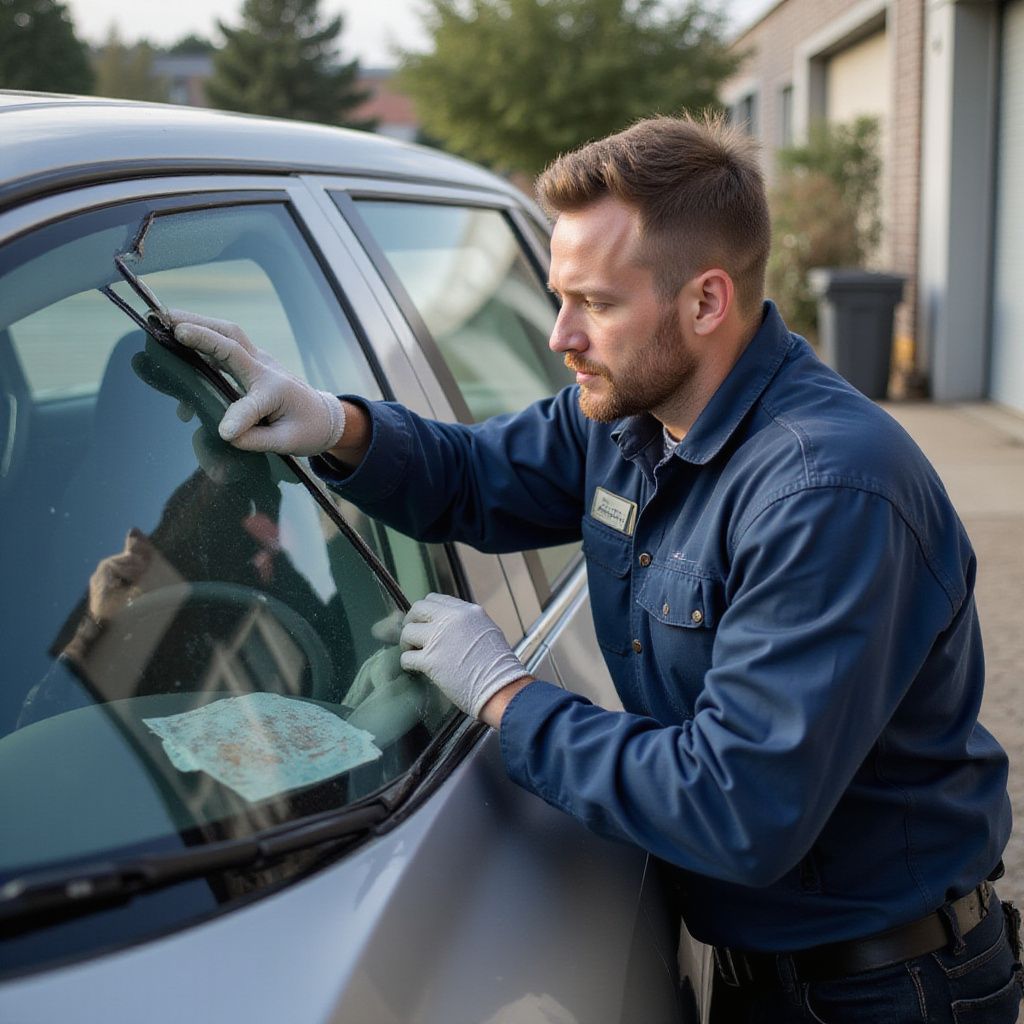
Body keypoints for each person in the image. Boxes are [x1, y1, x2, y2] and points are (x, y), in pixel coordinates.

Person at [167, 114, 1021, 1022]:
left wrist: (502, 692)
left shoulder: (829, 492)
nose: (560, 335)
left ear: (705, 302)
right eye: (558, 297)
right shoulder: (628, 413)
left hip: (888, 992)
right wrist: (336, 424)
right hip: (765, 969)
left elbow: (738, 808)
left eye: (597, 304)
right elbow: (475, 478)